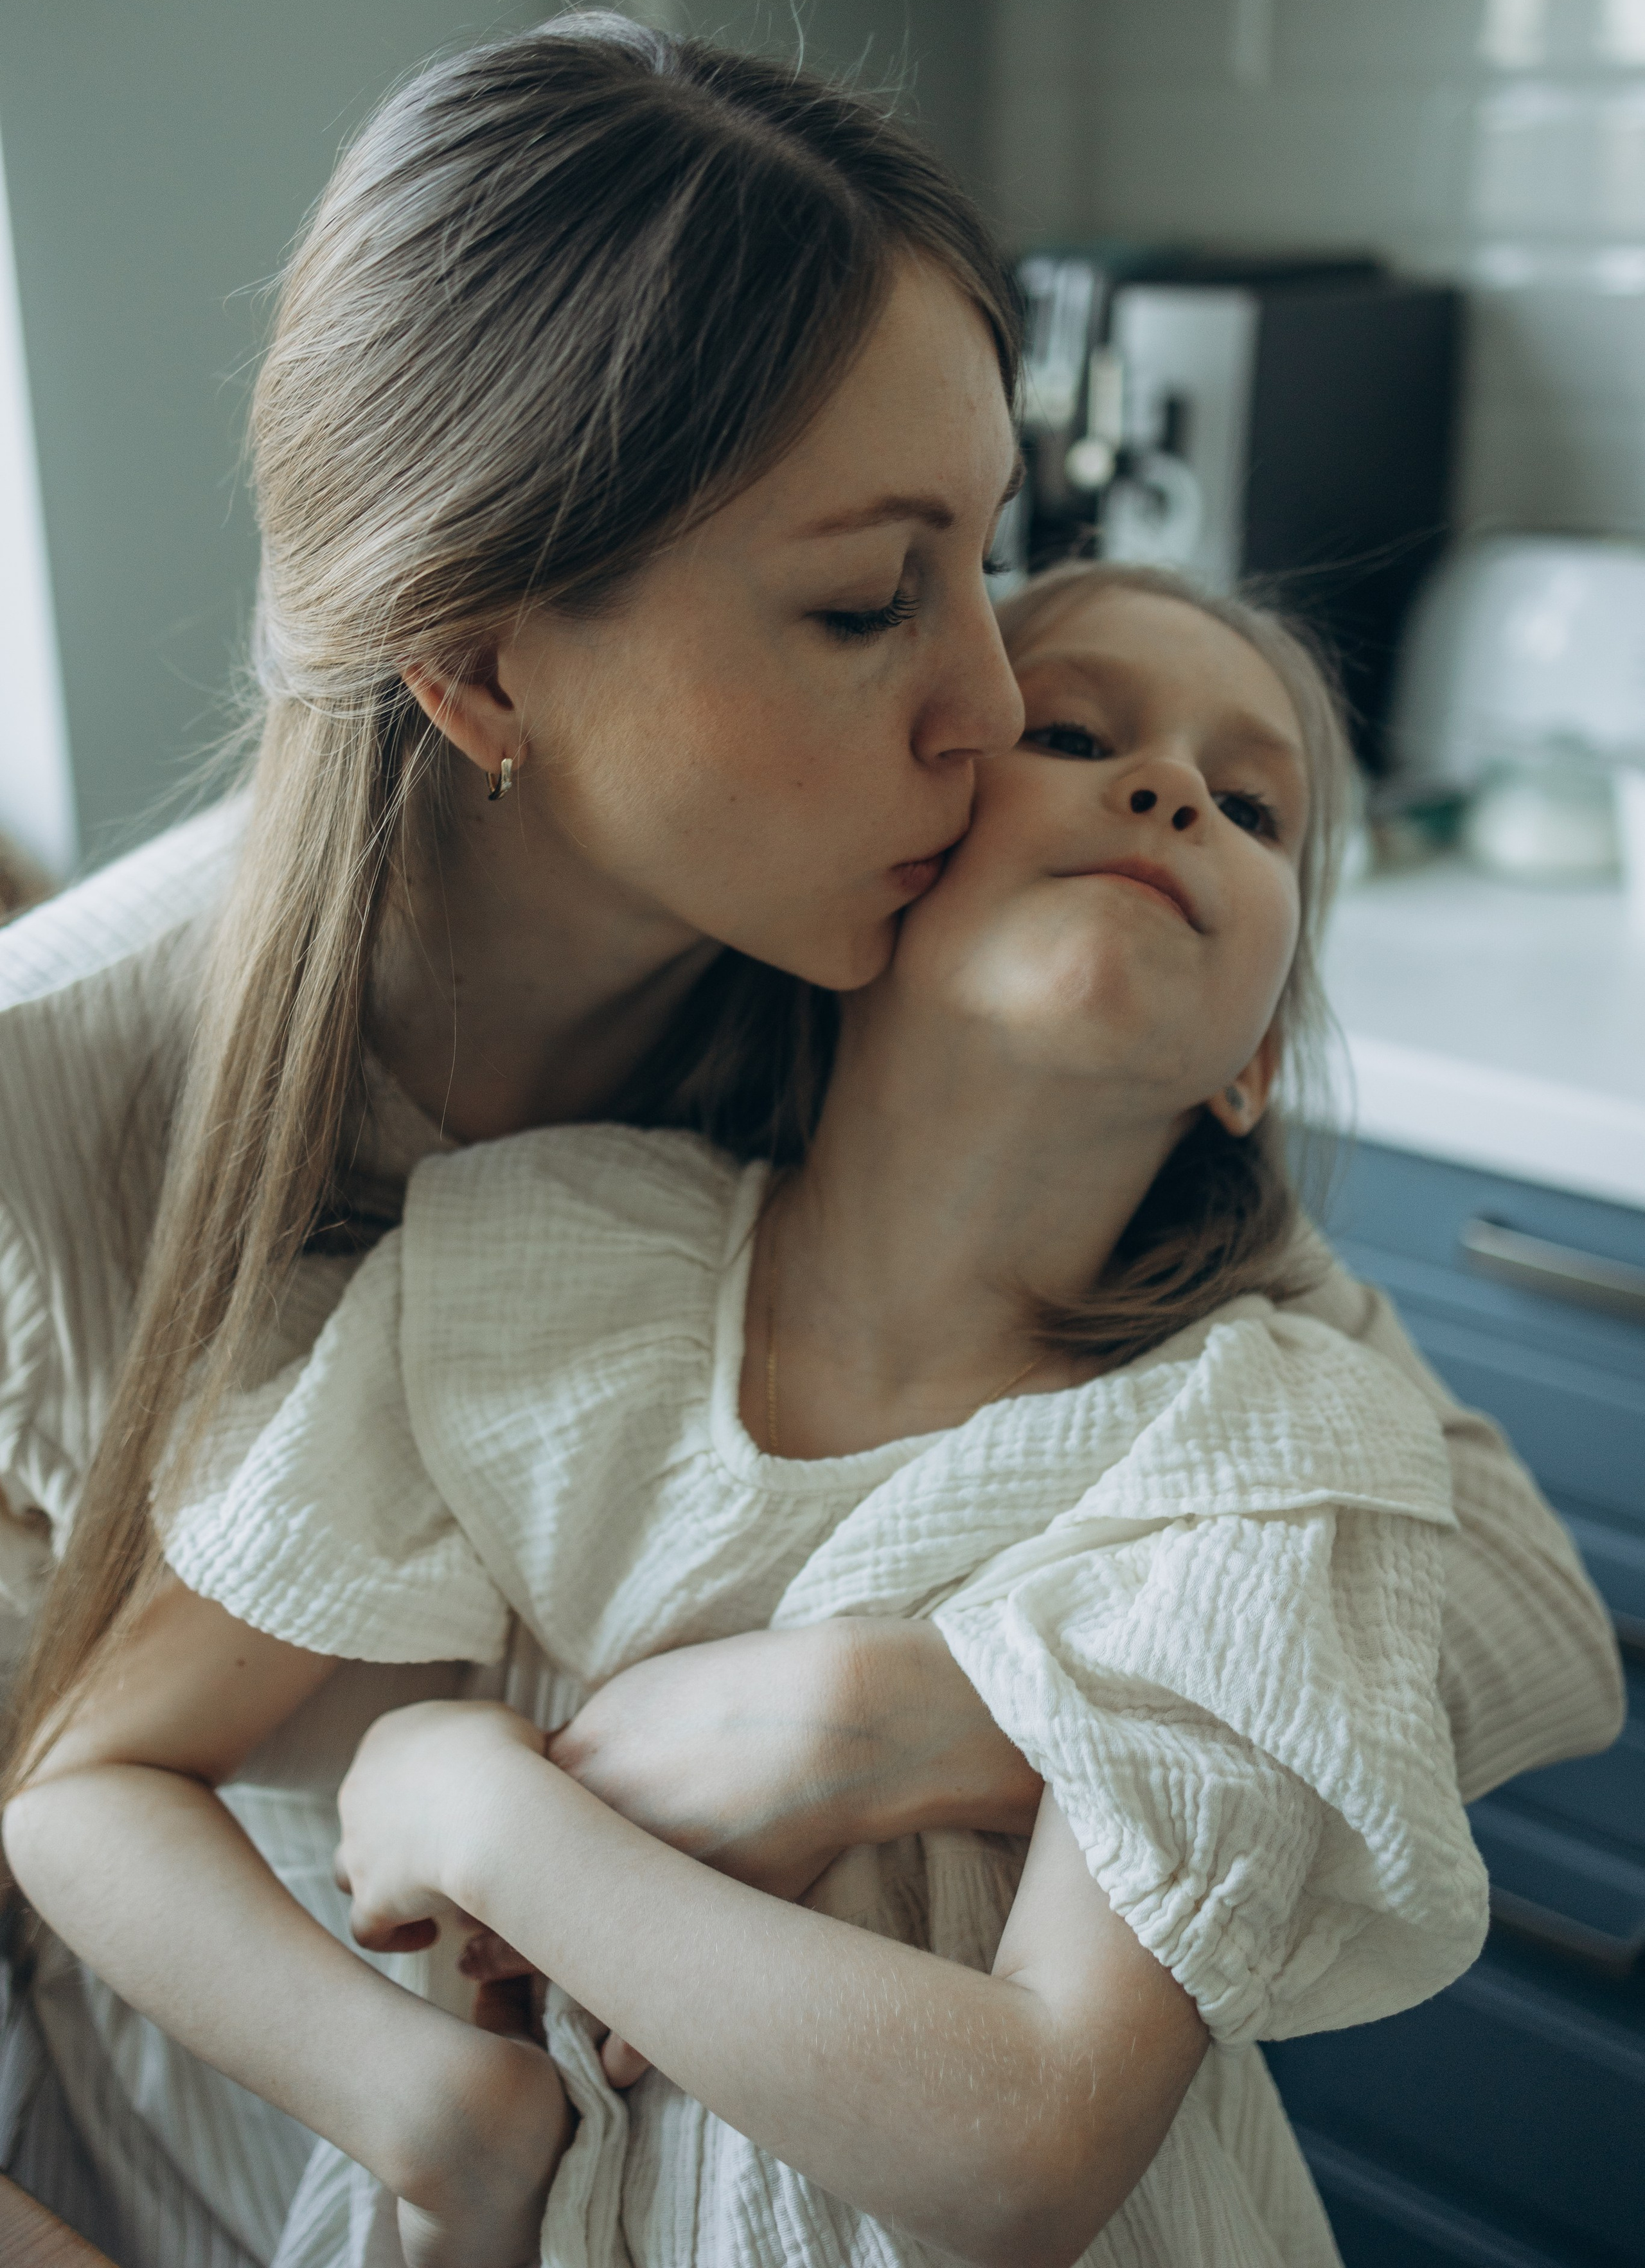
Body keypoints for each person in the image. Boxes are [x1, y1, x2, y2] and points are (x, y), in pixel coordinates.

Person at [0, 14, 1622, 2268]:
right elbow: (85, 1798)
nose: (986, 705)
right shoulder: (59, 1127)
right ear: (480, 675)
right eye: (871, 602)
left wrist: (910, 1705)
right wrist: (430, 2101)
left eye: (989, 560)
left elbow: (1516, 1607)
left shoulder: (894, 978)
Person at [10, 564, 1498, 2268]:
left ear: (1254, 1066)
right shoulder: (529, 1270)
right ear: (892, 870)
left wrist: (483, 1815)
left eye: (1251, 806)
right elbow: (82, 1784)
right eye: (1078, 734)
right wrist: (437, 2109)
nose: (1168, 790)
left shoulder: (1274, 1451)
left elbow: (1030, 2152)